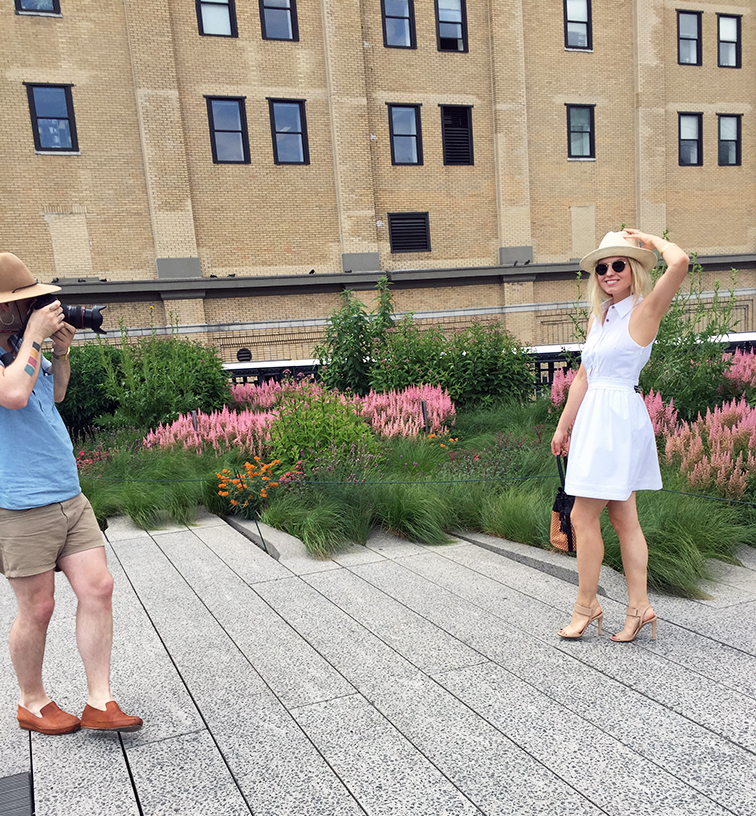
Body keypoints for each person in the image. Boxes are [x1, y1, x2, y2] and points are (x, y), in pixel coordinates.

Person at [0, 252, 142, 735]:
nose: (29, 310)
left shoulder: (27, 346)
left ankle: (100, 701)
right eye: (20, 304)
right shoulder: (18, 347)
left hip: (68, 493)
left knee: (99, 588)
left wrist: (58, 352)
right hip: (19, 505)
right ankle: (31, 702)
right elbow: (13, 395)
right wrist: (36, 338)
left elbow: (52, 394)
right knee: (38, 608)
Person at [551, 229, 689, 642]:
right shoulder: (602, 315)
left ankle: (586, 605)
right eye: (601, 266)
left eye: (617, 264)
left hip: (617, 420)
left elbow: (680, 262)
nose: (608, 272)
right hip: (596, 419)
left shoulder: (644, 311)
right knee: (623, 516)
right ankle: (639, 607)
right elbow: (584, 375)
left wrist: (648, 239)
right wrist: (564, 424)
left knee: (581, 515)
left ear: (633, 269)